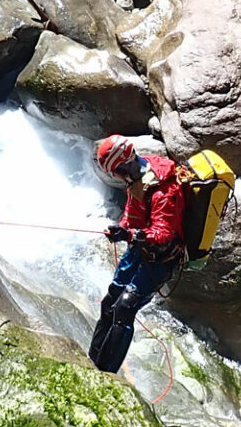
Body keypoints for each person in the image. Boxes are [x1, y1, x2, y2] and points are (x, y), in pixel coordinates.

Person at [87, 135, 185, 373]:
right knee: (111, 301)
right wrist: (122, 228)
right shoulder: (139, 177)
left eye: (116, 171)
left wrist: (131, 236)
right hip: (140, 250)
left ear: (125, 162)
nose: (117, 177)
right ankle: (92, 358)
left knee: (125, 307)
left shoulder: (164, 189)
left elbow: (164, 233)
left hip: (161, 258)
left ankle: (106, 372)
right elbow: (133, 210)